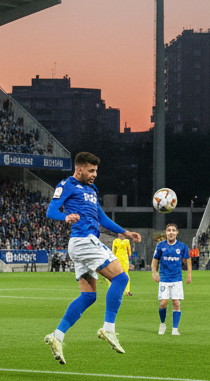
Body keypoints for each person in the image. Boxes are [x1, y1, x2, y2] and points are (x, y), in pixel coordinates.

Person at [43, 152, 142, 364]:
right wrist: (65, 216)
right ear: (79, 169)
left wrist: (125, 232)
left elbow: (101, 217)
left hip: (83, 244)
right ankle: (108, 329)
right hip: (83, 240)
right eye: (91, 170)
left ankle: (57, 336)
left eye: (96, 171)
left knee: (88, 297)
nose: (94, 174)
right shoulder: (66, 184)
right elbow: (51, 211)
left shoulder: (91, 190)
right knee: (121, 279)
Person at [152, 223, 192, 335]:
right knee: (163, 303)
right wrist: (154, 273)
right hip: (164, 278)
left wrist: (189, 275)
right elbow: (155, 260)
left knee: (176, 303)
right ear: (166, 232)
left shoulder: (182, 247)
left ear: (177, 232)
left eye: (173, 230)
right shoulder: (160, 246)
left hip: (177, 279)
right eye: (169, 230)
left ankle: (175, 329)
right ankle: (162, 323)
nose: (171, 232)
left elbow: (188, 260)